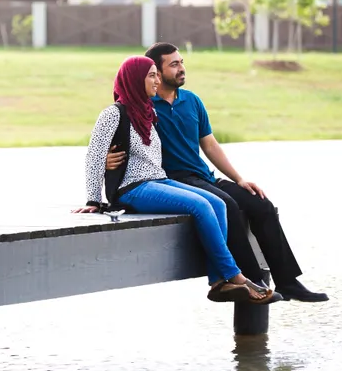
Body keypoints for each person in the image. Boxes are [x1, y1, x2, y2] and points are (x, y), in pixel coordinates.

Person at [106, 43, 327, 303]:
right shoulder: (143, 105)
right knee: (228, 206)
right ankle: (251, 281)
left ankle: (288, 282)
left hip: (204, 177)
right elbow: (120, 137)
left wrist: (239, 179)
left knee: (260, 204)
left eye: (182, 62)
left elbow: (209, 144)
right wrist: (108, 159)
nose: (181, 68)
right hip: (174, 181)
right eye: (174, 64)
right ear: (155, 71)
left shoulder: (192, 100)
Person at [74, 55, 276, 304]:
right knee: (200, 205)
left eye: (157, 75)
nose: (157, 81)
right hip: (132, 188)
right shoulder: (113, 114)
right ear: (135, 79)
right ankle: (235, 276)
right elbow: (94, 156)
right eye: (151, 75)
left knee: (218, 203)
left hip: (158, 181)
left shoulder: (147, 112)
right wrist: (93, 200)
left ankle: (218, 283)